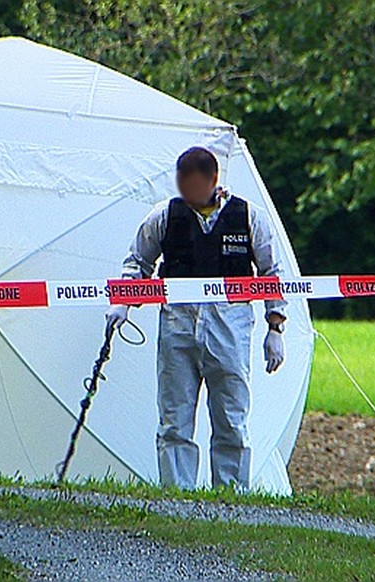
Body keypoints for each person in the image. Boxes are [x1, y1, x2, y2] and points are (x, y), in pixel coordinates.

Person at [106, 146, 287, 490]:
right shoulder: (164, 216)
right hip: (178, 324)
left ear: (214, 180)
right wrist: (124, 301)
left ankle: (231, 497)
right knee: (174, 419)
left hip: (230, 324)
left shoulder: (249, 217)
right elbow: (138, 262)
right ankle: (178, 497)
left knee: (231, 419)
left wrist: (275, 325)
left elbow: (271, 272)